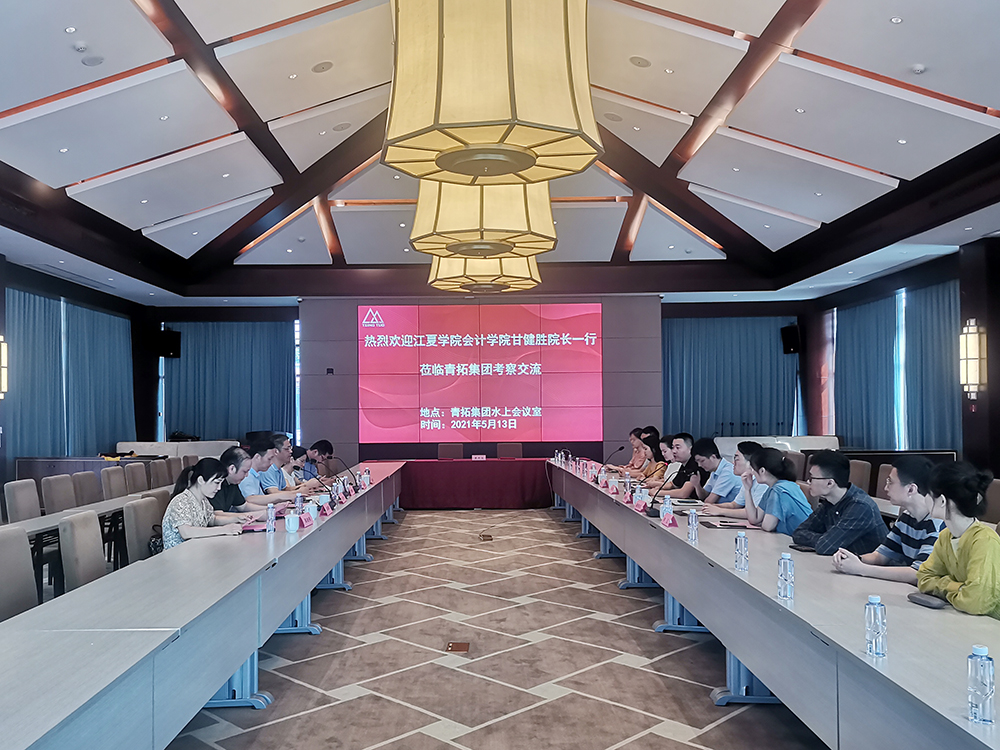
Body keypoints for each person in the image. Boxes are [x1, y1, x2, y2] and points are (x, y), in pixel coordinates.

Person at [832, 456, 944, 585]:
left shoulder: (937, 524)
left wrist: (862, 569)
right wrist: (853, 559)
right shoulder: (906, 517)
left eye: (890, 482)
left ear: (911, 489)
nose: (885, 488)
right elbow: (880, 556)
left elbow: (918, 574)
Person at [917, 462, 1000, 619]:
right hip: (966, 621)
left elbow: (974, 602)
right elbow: (924, 579)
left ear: (942, 501)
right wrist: (959, 588)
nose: (925, 498)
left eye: (928, 493)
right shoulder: (945, 536)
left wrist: (943, 586)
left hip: (992, 625)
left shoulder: (985, 541)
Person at [792, 450, 889, 555]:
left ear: (830, 483)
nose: (808, 481)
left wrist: (827, 540)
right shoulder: (829, 502)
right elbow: (798, 533)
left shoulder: (860, 507)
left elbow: (825, 547)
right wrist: (826, 538)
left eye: (812, 478)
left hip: (868, 564)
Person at [161, 458, 253, 549]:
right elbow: (186, 532)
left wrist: (236, 519)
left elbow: (212, 520)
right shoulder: (181, 501)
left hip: (194, 550)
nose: (219, 488)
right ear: (201, 480)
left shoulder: (203, 501)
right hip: (178, 554)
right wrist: (224, 529)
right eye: (216, 483)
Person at [736, 447, 812, 535]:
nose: (752, 472)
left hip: (803, 539)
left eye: (753, 469)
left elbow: (768, 526)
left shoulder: (778, 490)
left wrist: (762, 522)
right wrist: (747, 489)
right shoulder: (773, 488)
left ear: (762, 471)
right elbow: (754, 519)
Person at [702, 441, 767, 518]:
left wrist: (720, 511)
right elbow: (734, 505)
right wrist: (713, 507)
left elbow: (753, 513)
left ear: (750, 463)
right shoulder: (747, 479)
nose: (733, 463)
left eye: (736, 459)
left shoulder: (762, 483)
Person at [213, 447, 272, 515]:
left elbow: (243, 506)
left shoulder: (232, 483)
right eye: (245, 471)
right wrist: (245, 516)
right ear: (232, 469)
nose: (247, 475)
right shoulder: (215, 484)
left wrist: (270, 509)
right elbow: (218, 514)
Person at [240, 438, 300, 504]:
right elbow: (250, 499)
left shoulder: (255, 475)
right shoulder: (247, 475)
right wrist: (283, 496)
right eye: (269, 459)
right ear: (257, 457)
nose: (271, 463)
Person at [649, 433, 707, 499]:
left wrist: (658, 492)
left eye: (678, 447)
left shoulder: (696, 464)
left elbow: (683, 494)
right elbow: (673, 485)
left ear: (690, 449)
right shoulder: (684, 464)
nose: (674, 451)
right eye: (673, 447)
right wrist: (658, 487)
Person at [690, 438, 741, 505]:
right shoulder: (714, 471)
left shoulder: (728, 472)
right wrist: (697, 485)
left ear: (713, 457)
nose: (699, 465)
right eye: (697, 462)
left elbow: (709, 501)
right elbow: (703, 496)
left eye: (702, 461)